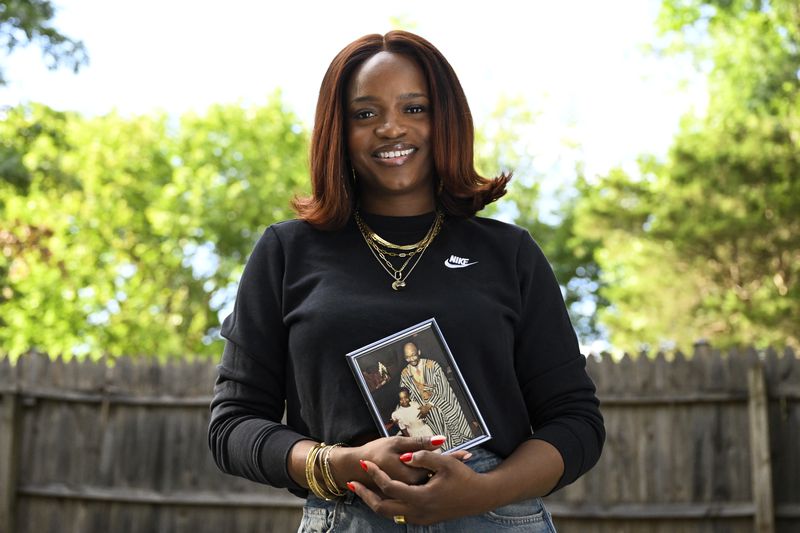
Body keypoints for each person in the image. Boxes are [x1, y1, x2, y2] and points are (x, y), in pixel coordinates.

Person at [208, 30, 604, 531]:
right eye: (365, 114)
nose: (391, 128)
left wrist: (482, 491)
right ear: (338, 131)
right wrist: (339, 465)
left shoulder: (510, 254)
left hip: (498, 515)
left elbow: (577, 423)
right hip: (348, 516)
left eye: (414, 109)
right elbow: (232, 427)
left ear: (446, 121)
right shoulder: (286, 252)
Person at [398, 342, 472, 448]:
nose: (412, 359)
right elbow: (406, 395)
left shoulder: (433, 365)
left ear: (419, 352)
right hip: (423, 411)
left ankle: (460, 445)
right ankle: (446, 449)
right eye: (408, 357)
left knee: (441, 416)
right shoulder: (405, 374)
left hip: (441, 403)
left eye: (413, 355)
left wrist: (429, 405)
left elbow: (443, 387)